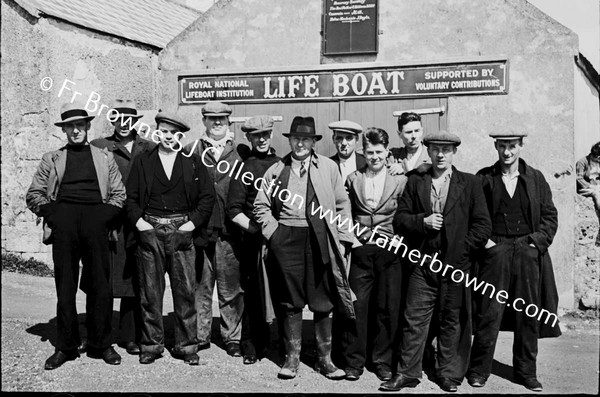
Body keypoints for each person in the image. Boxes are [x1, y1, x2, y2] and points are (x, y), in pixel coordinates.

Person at [381, 131, 491, 393]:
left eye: (447, 150)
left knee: (451, 319)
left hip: (455, 265)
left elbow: (483, 225)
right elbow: (400, 219)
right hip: (423, 263)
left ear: (454, 153)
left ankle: (448, 374)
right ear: (428, 151)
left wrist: (461, 251)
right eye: (436, 149)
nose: (441, 154)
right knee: (414, 318)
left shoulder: (471, 183)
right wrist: (423, 222)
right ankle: (407, 373)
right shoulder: (416, 181)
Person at [26, 101, 126, 369]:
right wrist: (54, 214)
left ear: (87, 126)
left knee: (100, 287)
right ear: (64, 130)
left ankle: (101, 344)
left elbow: (119, 195)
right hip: (65, 225)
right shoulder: (53, 158)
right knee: (65, 287)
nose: (75, 131)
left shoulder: (105, 157)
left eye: (79, 126)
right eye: (70, 127)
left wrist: (103, 217)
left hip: (96, 224)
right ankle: (66, 346)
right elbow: (33, 194)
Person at [254, 116, 355, 380]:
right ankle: (292, 359)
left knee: (323, 298)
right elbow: (260, 205)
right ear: (289, 140)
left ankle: (325, 360)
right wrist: (274, 233)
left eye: (306, 139)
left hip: (319, 236)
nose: (301, 143)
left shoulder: (329, 168)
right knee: (290, 299)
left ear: (313, 142)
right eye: (296, 138)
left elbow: (343, 205)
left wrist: (343, 240)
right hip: (286, 237)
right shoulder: (276, 170)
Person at [468, 131, 561, 392]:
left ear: (520, 146)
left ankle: (525, 372)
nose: (507, 152)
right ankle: (478, 370)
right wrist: (486, 244)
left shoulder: (535, 178)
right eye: (502, 146)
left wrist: (535, 243)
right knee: (489, 312)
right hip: (495, 250)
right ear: (496, 147)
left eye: (512, 146)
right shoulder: (484, 178)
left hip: (527, 251)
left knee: (528, 313)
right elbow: (473, 214)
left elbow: (549, 216)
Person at [125, 111, 214, 365]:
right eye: (163, 131)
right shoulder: (143, 160)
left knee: (185, 291)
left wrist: (190, 224)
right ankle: (151, 345)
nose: (167, 136)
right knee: (150, 292)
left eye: (173, 133)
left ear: (180, 135)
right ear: (157, 132)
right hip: (150, 228)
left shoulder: (192, 160)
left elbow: (206, 198)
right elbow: (130, 198)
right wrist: (141, 224)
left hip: (181, 230)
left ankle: (186, 347)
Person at [89, 99, 155, 355]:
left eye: (129, 120)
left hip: (136, 222)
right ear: (112, 122)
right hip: (108, 223)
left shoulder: (148, 148)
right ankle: (100, 335)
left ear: (135, 122)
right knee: (102, 279)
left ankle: (130, 336)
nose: (124, 125)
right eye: (118, 120)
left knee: (133, 280)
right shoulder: (100, 146)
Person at [341, 127, 407, 381]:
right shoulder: (353, 178)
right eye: (370, 152)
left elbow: (405, 211)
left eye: (379, 152)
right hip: (361, 248)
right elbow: (344, 212)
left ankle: (382, 361)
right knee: (358, 306)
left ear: (387, 152)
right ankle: (354, 362)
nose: (375, 157)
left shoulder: (399, 179)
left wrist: (399, 240)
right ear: (363, 152)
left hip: (390, 250)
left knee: (387, 307)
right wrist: (353, 240)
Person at [185, 101, 246, 357]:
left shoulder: (239, 152)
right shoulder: (191, 150)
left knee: (231, 288)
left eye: (222, 119)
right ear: (204, 122)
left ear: (229, 122)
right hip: (200, 231)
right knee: (201, 286)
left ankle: (232, 337)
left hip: (230, 232)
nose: (217, 123)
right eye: (212, 119)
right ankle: (201, 335)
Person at [226, 115, 281, 364]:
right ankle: (251, 345)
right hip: (253, 241)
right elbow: (234, 209)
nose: (262, 139)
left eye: (265, 134)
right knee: (252, 294)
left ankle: (278, 344)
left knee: (280, 293)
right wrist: (256, 231)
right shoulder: (244, 167)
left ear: (271, 135)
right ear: (249, 138)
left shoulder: (282, 165)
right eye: (256, 135)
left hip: (279, 240)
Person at [576, 141, 600, 246]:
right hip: (586, 188)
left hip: (597, 187)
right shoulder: (582, 162)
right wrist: (591, 186)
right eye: (596, 157)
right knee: (596, 193)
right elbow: (578, 178)